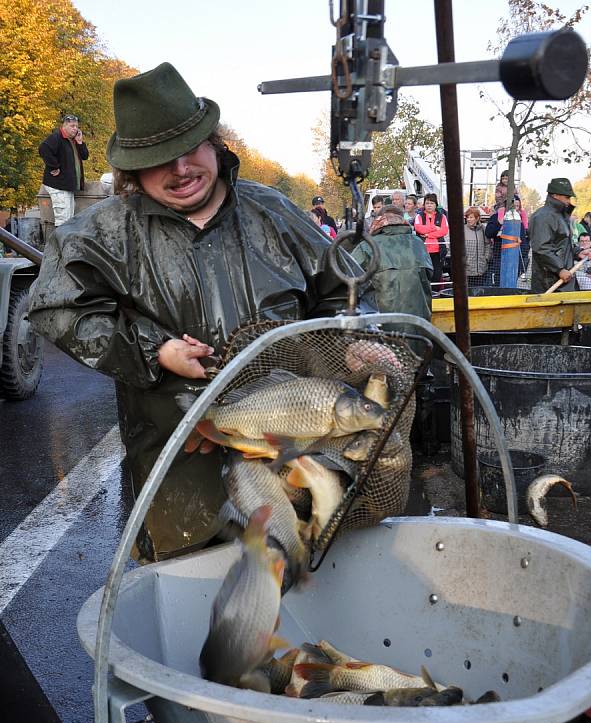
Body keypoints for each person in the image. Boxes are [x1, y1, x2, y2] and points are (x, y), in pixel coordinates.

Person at [29, 63, 367, 562]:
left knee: (298, 582)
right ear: (132, 171)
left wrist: (355, 342)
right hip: (175, 470)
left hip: (293, 453)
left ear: (215, 144)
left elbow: (343, 292)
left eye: (190, 150)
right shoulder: (100, 233)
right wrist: (154, 349)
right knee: (191, 610)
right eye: (159, 160)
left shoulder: (273, 211)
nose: (181, 170)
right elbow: (58, 310)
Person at [351, 205, 432, 323]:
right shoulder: (418, 243)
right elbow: (429, 274)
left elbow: (347, 277)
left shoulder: (367, 246)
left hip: (382, 327)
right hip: (419, 324)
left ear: (379, 220)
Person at [529, 178, 579, 294]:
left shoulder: (560, 216)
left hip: (561, 280)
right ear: (555, 195)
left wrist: (578, 252)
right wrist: (559, 269)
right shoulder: (543, 216)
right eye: (567, 197)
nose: (569, 201)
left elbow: (562, 244)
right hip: (549, 281)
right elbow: (541, 248)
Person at [38, 114, 89, 226]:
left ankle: (64, 242)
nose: (75, 128)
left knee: (68, 219)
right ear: (64, 125)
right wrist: (54, 166)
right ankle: (60, 243)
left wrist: (80, 142)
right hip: (58, 184)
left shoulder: (74, 140)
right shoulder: (57, 137)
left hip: (67, 186)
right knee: (63, 220)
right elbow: (43, 149)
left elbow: (85, 156)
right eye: (72, 126)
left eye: (76, 126)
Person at [485, 196, 529, 286]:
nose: (515, 208)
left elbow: (523, 240)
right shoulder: (496, 218)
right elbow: (488, 233)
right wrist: (499, 223)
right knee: (498, 284)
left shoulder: (519, 220)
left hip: (515, 261)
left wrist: (523, 258)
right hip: (499, 259)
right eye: (514, 206)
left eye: (517, 206)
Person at [414, 193, 448, 284]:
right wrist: (434, 228)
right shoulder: (419, 216)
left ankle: (436, 294)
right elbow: (419, 228)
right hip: (423, 250)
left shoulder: (442, 216)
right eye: (427, 203)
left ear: (436, 204)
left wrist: (428, 235)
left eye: (432, 203)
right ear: (424, 205)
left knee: (437, 275)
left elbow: (444, 231)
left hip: (438, 251)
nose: (429, 205)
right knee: (424, 275)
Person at [463, 207, 491, 286]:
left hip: (481, 268)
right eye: (467, 217)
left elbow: (487, 244)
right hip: (467, 268)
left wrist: (486, 257)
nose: (468, 219)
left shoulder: (483, 229)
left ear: (477, 218)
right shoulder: (462, 230)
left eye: (471, 217)